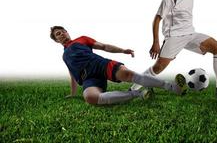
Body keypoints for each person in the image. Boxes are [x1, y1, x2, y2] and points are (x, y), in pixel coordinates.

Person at [50, 26, 187, 105]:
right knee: (90, 98)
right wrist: (73, 93)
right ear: (57, 40)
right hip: (88, 79)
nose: (61, 34)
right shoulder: (64, 56)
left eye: (62, 31)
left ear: (67, 32)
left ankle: (172, 87)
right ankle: (138, 93)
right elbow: (72, 74)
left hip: (99, 64)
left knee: (127, 74)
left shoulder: (81, 39)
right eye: (58, 34)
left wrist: (122, 50)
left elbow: (104, 46)